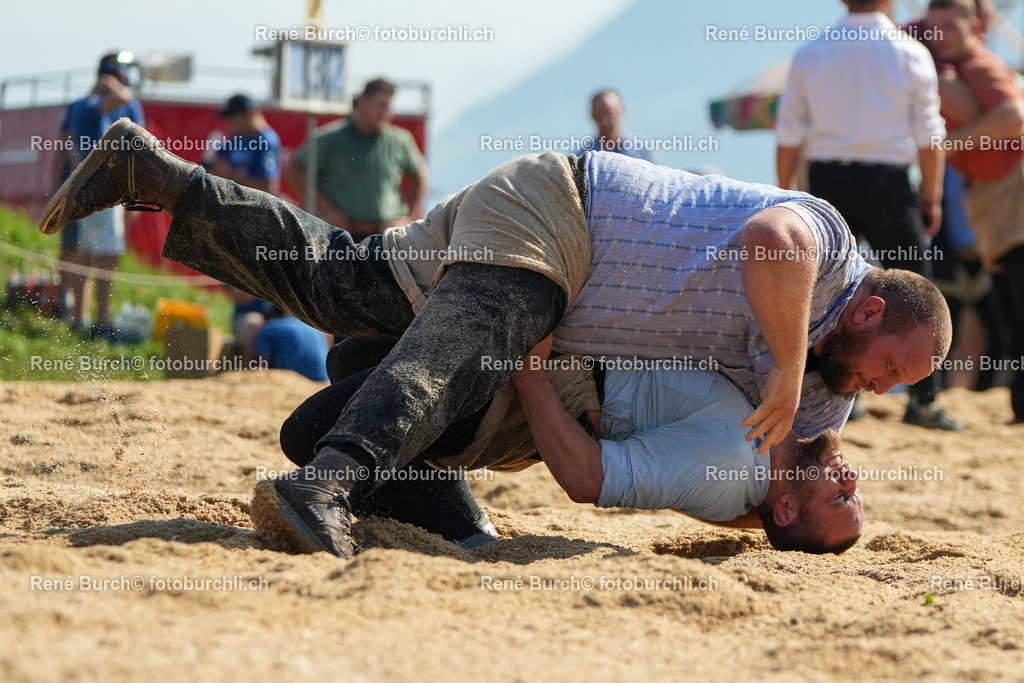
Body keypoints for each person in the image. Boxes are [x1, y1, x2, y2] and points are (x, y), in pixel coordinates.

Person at [40, 119, 951, 559]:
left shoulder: (828, 391)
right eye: (890, 369)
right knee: (488, 326)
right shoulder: (829, 251)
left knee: (348, 288)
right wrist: (787, 371)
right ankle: (326, 484)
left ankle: (154, 173)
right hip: (568, 212)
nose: (873, 391)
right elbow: (769, 242)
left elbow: (773, 478)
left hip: (564, 296)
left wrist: (791, 513)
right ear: (872, 313)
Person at [268, 335, 863, 554]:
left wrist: (528, 372)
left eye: (839, 500)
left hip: (525, 390)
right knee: (355, 353)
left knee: (309, 432)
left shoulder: (729, 468)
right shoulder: (781, 424)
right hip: (561, 369)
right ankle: (447, 509)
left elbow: (587, 479)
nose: (853, 481)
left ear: (784, 507)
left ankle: (458, 526)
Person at [775, 0, 961, 430]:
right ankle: (924, 402)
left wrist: (783, 194)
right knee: (919, 290)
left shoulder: (812, 52)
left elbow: (790, 131)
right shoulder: (911, 52)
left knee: (822, 291)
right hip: (889, 181)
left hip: (827, 181)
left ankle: (833, 391)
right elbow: (929, 133)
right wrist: (931, 198)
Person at [927, 0, 1024, 424]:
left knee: (1018, 302)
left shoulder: (980, 66)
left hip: (1011, 193)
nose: (941, 36)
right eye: (935, 29)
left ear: (975, 26)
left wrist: (947, 146)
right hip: (995, 195)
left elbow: (1014, 116)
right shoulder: (957, 67)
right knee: (1010, 305)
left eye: (951, 26)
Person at [49, 52, 144, 338]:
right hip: (100, 193)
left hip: (90, 191)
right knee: (100, 255)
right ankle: (96, 320)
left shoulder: (83, 106)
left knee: (86, 252)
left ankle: (80, 316)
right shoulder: (92, 106)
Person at [283, 78, 428, 242]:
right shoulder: (331, 138)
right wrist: (327, 210)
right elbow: (293, 170)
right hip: (341, 236)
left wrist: (410, 219)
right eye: (381, 105)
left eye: (389, 107)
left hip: (386, 237)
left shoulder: (400, 140)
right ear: (364, 101)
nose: (385, 112)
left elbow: (420, 175)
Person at [210, 94, 281, 194]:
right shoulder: (238, 136)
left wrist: (230, 173)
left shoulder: (266, 141)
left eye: (233, 118)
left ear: (248, 115)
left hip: (252, 205)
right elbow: (216, 162)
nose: (230, 123)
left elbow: (267, 188)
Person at [575, 89, 658, 164]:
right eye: (601, 114)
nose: (606, 121)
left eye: (610, 114)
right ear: (593, 116)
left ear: (621, 112)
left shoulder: (643, 148)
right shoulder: (581, 158)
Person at [252, 307, 330, 382]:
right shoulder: (315, 329)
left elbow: (262, 362)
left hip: (290, 382)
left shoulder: (268, 328)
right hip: (323, 381)